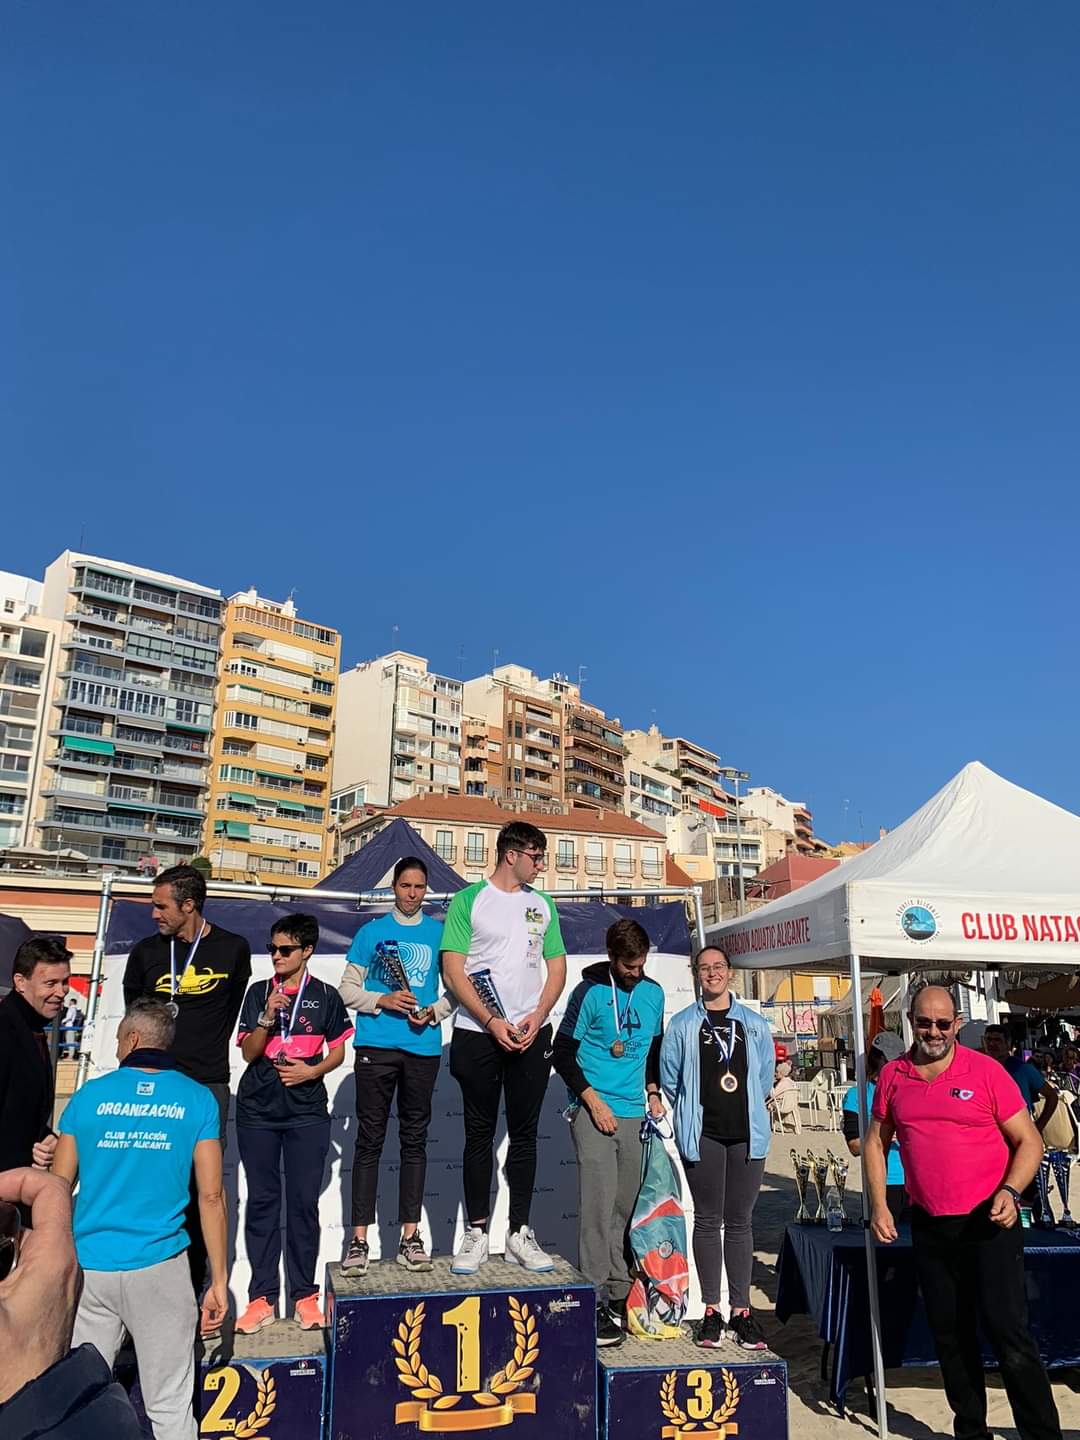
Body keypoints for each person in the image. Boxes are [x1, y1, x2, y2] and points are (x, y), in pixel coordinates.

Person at [866, 985, 1062, 1440]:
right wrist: (879, 1204)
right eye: (923, 1022)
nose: (932, 1031)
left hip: (990, 1223)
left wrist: (1012, 1192)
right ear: (909, 1022)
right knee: (950, 1339)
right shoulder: (894, 1076)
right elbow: (876, 1142)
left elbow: (1029, 1141)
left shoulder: (988, 1072)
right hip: (931, 1225)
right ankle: (971, 1431)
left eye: (941, 1023)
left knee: (1009, 1338)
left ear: (957, 1024)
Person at [52, 998, 228, 1440]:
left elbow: (57, 1187)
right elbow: (210, 1195)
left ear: (132, 1039)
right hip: (160, 1268)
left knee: (78, 1401)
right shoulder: (196, 1098)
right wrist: (220, 1280)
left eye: (117, 1040)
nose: (115, 1049)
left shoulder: (90, 1095)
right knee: (169, 1406)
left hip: (90, 1266)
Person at [441, 821, 567, 1275]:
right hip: (479, 1034)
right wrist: (491, 1020)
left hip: (531, 1035)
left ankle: (520, 1231)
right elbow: (453, 970)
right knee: (478, 1134)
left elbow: (557, 968)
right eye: (537, 855)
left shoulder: (543, 904)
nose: (542, 863)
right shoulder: (468, 900)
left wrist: (539, 1013)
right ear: (511, 854)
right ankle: (476, 1232)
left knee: (526, 1134)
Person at [122, 863, 251, 1296]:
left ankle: (198, 1289)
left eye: (161, 906)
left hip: (206, 1085)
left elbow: (231, 1011)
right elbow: (135, 1022)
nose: (154, 914)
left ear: (190, 905)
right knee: (149, 1182)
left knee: (204, 1192)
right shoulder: (145, 953)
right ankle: (145, 1281)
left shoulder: (234, 950)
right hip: (152, 1085)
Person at [233, 913, 351, 1333]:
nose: (276, 956)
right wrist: (267, 1016)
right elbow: (249, 1054)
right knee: (263, 1203)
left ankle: (304, 1295)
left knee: (302, 1205)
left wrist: (312, 1071)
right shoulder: (257, 992)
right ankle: (261, 1297)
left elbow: (338, 1052)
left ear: (307, 952)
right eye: (272, 948)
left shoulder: (326, 995)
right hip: (258, 1110)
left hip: (306, 1111)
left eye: (285, 950)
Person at [553, 918, 666, 1347]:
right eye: (630, 966)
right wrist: (592, 1101)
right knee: (597, 1209)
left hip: (636, 1112)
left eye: (641, 965)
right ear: (612, 957)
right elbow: (561, 1052)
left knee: (626, 1207)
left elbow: (654, 1048)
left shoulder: (653, 994)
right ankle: (596, 1296)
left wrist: (653, 1091)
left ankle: (621, 1292)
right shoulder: (589, 993)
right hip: (593, 1109)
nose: (637, 973)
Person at [339, 858, 451, 1277]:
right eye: (405, 885)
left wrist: (435, 1012)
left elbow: (457, 990)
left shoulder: (439, 934)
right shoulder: (371, 933)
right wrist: (380, 1001)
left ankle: (410, 1236)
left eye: (419, 887)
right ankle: (358, 1240)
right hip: (376, 1047)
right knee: (369, 1141)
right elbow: (347, 989)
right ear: (393, 888)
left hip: (422, 1048)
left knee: (414, 1141)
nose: (411, 894)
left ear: (427, 890)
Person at [659, 946, 775, 1350]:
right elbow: (670, 1078)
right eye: (705, 968)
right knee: (708, 1221)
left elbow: (763, 1077)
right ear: (697, 975)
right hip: (703, 1134)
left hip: (747, 1135)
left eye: (719, 967)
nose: (712, 974)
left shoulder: (755, 1025)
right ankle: (711, 1311)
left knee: (740, 1222)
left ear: (730, 973)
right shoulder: (682, 1024)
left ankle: (741, 1312)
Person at [0, 1166, 144, 1439]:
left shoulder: (80, 1120)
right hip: (151, 1262)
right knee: (168, 1400)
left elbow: (61, 1174)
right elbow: (211, 1197)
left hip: (91, 1261)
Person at [0, 937, 71, 1185]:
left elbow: (22, 1109)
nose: (61, 992)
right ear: (20, 982)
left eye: (65, 982)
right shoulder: (5, 1029)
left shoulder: (31, 1028)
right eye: (50, 983)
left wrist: (44, 1138)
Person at [842, 1031, 907, 1219]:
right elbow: (854, 1146)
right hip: (883, 1183)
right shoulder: (857, 1095)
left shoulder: (911, 1090)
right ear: (878, 1061)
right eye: (892, 1062)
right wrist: (880, 1136)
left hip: (918, 1180)